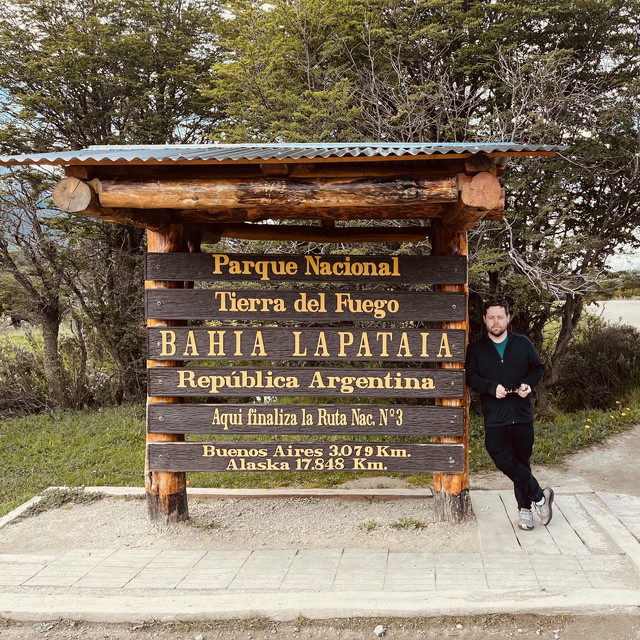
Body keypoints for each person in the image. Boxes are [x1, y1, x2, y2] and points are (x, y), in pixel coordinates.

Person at [466, 298, 553, 530]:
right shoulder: (475, 349)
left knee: (522, 463)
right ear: (484, 320)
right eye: (491, 317)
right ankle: (540, 497)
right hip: (495, 417)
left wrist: (528, 385)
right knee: (502, 458)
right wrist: (489, 387)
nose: (496, 321)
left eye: (500, 317)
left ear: (508, 318)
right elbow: (470, 376)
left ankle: (524, 510)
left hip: (522, 415)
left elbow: (538, 368)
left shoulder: (522, 343)